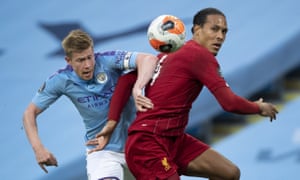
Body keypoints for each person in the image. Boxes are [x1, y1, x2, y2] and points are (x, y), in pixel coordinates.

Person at [93, 7, 279, 180]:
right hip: (148, 144)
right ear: (196, 30)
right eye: (214, 29)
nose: (220, 36)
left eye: (224, 32)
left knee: (229, 173)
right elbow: (229, 103)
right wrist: (258, 107)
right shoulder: (199, 56)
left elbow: (126, 80)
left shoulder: (166, 54)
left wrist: (112, 121)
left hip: (175, 140)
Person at [22, 29, 158, 180]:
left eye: (89, 57)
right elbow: (29, 113)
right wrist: (38, 148)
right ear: (68, 60)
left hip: (139, 143)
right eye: (80, 60)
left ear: (93, 52)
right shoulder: (61, 80)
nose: (87, 65)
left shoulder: (108, 60)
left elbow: (149, 59)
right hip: (103, 151)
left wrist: (138, 88)